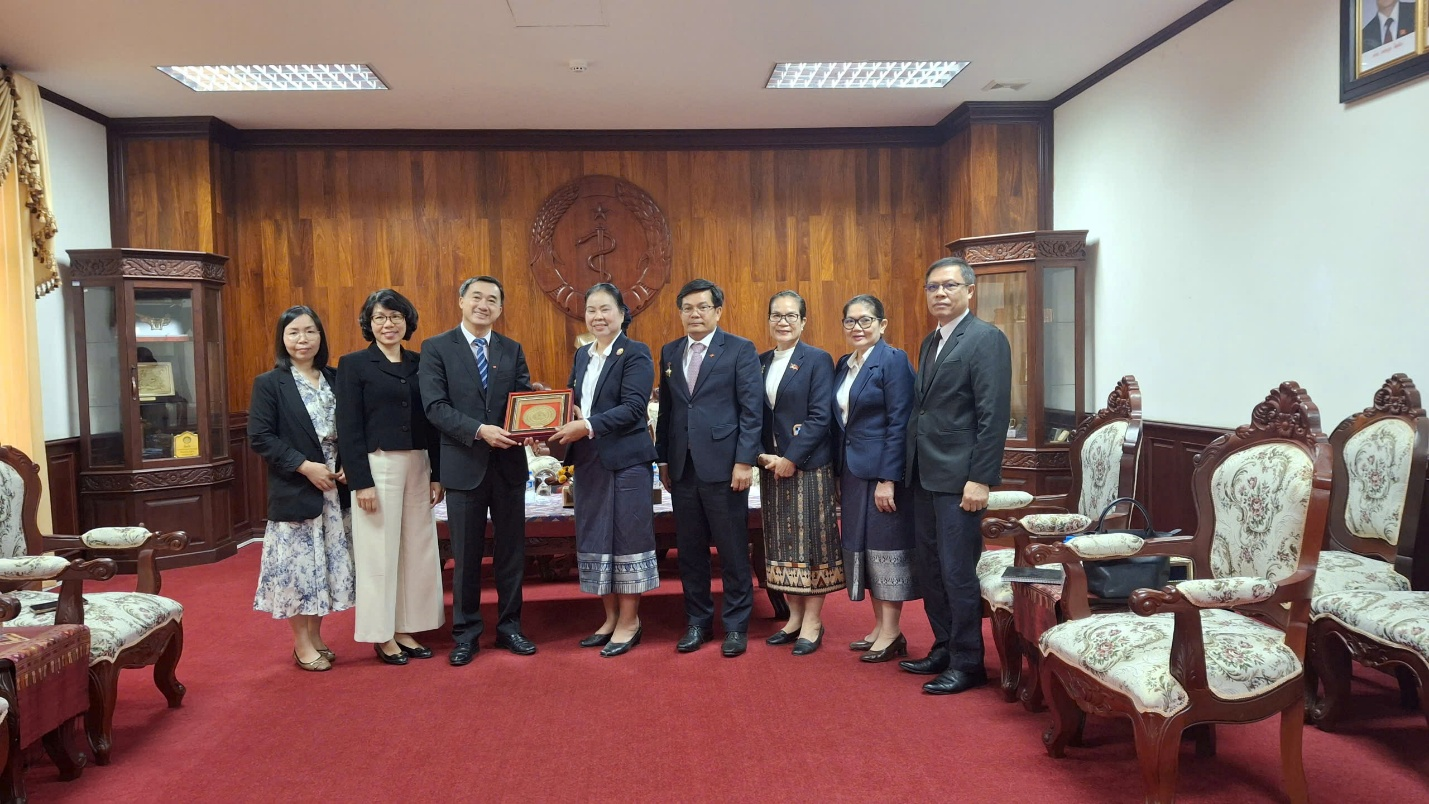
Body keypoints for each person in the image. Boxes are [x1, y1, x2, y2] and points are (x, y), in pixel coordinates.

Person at [899, 257, 1012, 695]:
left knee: (957, 571)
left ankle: (968, 662)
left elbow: (993, 415)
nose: (940, 294)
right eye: (933, 287)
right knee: (930, 569)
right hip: (924, 475)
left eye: (949, 286)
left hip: (961, 479)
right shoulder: (931, 341)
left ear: (970, 291)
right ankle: (944, 646)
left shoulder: (986, 338)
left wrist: (981, 478)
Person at [419, 275, 536, 665]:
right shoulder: (436, 348)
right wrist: (478, 430)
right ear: (461, 301)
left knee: (511, 553)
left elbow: (521, 400)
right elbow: (435, 407)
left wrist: (534, 425)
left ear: (500, 308)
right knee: (466, 556)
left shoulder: (511, 348)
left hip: (508, 466)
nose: (483, 305)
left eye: (492, 300)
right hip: (463, 464)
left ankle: (510, 628)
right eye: (476, 297)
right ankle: (466, 634)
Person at [548, 283, 659, 658]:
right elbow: (571, 400)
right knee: (596, 537)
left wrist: (587, 424)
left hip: (627, 462)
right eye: (591, 310)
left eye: (605, 309)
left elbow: (633, 408)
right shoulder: (583, 355)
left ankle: (630, 621)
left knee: (627, 538)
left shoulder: (636, 353)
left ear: (622, 314)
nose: (598, 316)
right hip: (589, 461)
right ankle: (610, 618)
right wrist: (557, 417)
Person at [336, 289, 445, 666]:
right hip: (377, 465)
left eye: (396, 317)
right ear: (369, 323)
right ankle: (382, 634)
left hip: (419, 462)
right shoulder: (354, 364)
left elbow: (433, 420)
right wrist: (360, 481)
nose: (388, 324)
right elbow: (348, 426)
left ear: (407, 321)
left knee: (417, 548)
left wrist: (437, 474)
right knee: (378, 552)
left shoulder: (421, 362)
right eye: (380, 317)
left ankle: (406, 628)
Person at [655, 278, 762, 658]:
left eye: (702, 307)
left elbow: (752, 411)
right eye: (687, 308)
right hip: (682, 469)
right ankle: (697, 622)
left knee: (732, 551)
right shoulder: (670, 352)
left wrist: (744, 461)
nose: (694, 314)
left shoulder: (739, 349)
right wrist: (663, 459)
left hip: (725, 467)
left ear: (717, 311)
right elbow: (667, 412)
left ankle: (735, 625)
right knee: (690, 551)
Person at [249, 305, 355, 672]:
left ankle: (316, 636)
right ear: (283, 338)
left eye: (310, 331)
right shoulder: (270, 383)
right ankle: (301, 643)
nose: (302, 339)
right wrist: (306, 466)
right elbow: (260, 437)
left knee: (323, 568)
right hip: (297, 486)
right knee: (298, 571)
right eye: (293, 332)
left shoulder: (336, 378)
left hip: (335, 490)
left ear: (320, 336)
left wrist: (348, 463)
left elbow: (353, 428)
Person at [831, 294, 918, 663]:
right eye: (850, 321)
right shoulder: (845, 364)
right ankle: (879, 626)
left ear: (882, 324)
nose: (858, 327)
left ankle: (893, 631)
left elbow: (901, 422)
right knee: (862, 549)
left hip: (883, 473)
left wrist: (888, 478)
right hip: (853, 471)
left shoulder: (893, 360)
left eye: (866, 320)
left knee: (886, 549)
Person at [755, 290, 843, 656]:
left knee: (812, 545)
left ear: (803, 321)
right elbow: (753, 415)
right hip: (771, 468)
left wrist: (791, 458)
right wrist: (761, 456)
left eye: (791, 315)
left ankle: (813, 622)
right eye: (776, 315)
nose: (783, 322)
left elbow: (821, 417)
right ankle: (793, 618)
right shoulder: (760, 361)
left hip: (808, 467)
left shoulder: (817, 359)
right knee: (782, 544)